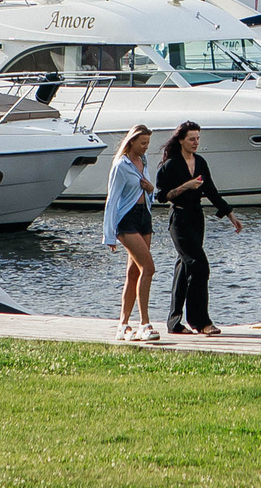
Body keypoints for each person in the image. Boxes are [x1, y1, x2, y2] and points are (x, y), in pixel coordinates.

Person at [156, 120, 242, 336]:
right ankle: (201, 322)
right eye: (191, 139)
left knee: (184, 269)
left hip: (197, 218)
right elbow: (161, 197)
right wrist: (185, 186)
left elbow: (211, 190)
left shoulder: (200, 162)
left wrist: (230, 214)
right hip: (179, 219)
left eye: (198, 139)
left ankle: (174, 323)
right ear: (182, 140)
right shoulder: (170, 165)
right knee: (199, 265)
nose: (196, 142)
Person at [101, 124, 160, 342]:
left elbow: (147, 190)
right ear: (131, 142)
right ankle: (145, 323)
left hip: (144, 216)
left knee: (134, 273)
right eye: (142, 143)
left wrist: (150, 189)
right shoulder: (121, 165)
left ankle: (123, 325)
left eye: (147, 143)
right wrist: (109, 234)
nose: (145, 147)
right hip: (126, 221)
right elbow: (112, 199)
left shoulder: (144, 162)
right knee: (149, 268)